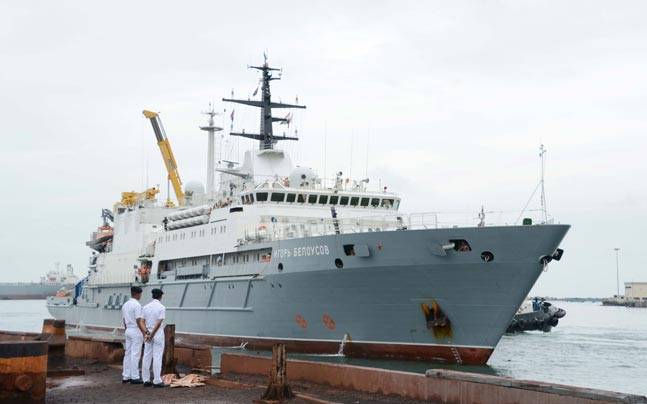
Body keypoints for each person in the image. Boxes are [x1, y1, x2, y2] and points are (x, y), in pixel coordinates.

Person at [142, 288, 167, 387]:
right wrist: (152, 334)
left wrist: (146, 333)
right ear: (161, 296)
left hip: (147, 333)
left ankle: (146, 380)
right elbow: (159, 323)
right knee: (157, 357)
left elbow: (142, 321)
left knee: (146, 356)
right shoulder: (162, 307)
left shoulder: (145, 307)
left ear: (152, 296)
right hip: (157, 334)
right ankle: (157, 380)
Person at [122, 286, 147, 384]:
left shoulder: (125, 305)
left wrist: (127, 329)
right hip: (136, 330)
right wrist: (144, 332)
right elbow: (138, 320)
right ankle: (135, 377)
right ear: (138, 294)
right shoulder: (137, 305)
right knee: (135, 354)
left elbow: (124, 320)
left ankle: (126, 376)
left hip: (128, 330)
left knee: (127, 353)